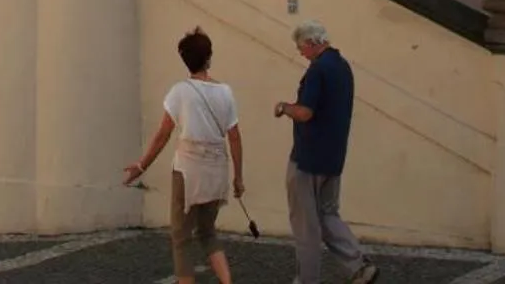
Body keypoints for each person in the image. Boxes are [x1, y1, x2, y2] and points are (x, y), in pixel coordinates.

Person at [124, 27, 245, 284]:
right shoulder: (225, 92)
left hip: (188, 170)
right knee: (208, 232)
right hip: (217, 169)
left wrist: (141, 165)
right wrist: (238, 177)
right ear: (208, 58)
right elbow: (234, 137)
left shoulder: (180, 91)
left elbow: (163, 134)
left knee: (181, 237)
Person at [274, 22, 378, 284]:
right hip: (334, 156)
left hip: (308, 159)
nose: (300, 53)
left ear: (311, 43)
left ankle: (307, 280)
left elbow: (305, 112)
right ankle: (358, 266)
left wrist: (284, 107)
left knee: (305, 225)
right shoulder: (342, 67)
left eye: (301, 48)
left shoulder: (318, 70)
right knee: (328, 214)